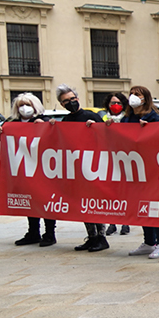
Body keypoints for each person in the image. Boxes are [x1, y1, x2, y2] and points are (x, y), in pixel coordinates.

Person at [53, 84, 111, 253]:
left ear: (77, 99)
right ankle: (91, 236)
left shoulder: (91, 115)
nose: (70, 102)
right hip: (76, 169)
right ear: (62, 104)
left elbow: (107, 136)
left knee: (94, 202)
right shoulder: (66, 121)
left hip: (93, 167)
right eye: (66, 101)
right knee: (82, 204)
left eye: (72, 99)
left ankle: (101, 237)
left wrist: (96, 127)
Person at [114, 86, 159, 259]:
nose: (133, 97)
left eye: (137, 94)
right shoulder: (127, 118)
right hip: (135, 168)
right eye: (131, 94)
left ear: (145, 98)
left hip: (153, 168)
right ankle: (149, 241)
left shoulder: (154, 116)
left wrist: (148, 129)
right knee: (143, 206)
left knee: (156, 206)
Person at [0, 94, 56, 247]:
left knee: (45, 200)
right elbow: (6, 140)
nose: (24, 108)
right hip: (24, 169)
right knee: (30, 200)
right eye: (21, 105)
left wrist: (44, 125)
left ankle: (50, 233)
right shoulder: (12, 122)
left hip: (43, 168)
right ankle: (33, 232)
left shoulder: (42, 119)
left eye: (28, 104)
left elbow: (54, 137)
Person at [101, 90, 133, 238]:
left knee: (125, 192)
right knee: (111, 192)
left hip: (125, 158)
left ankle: (125, 222)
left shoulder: (127, 119)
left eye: (119, 103)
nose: (115, 105)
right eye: (113, 103)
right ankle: (112, 222)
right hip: (109, 159)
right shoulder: (102, 118)